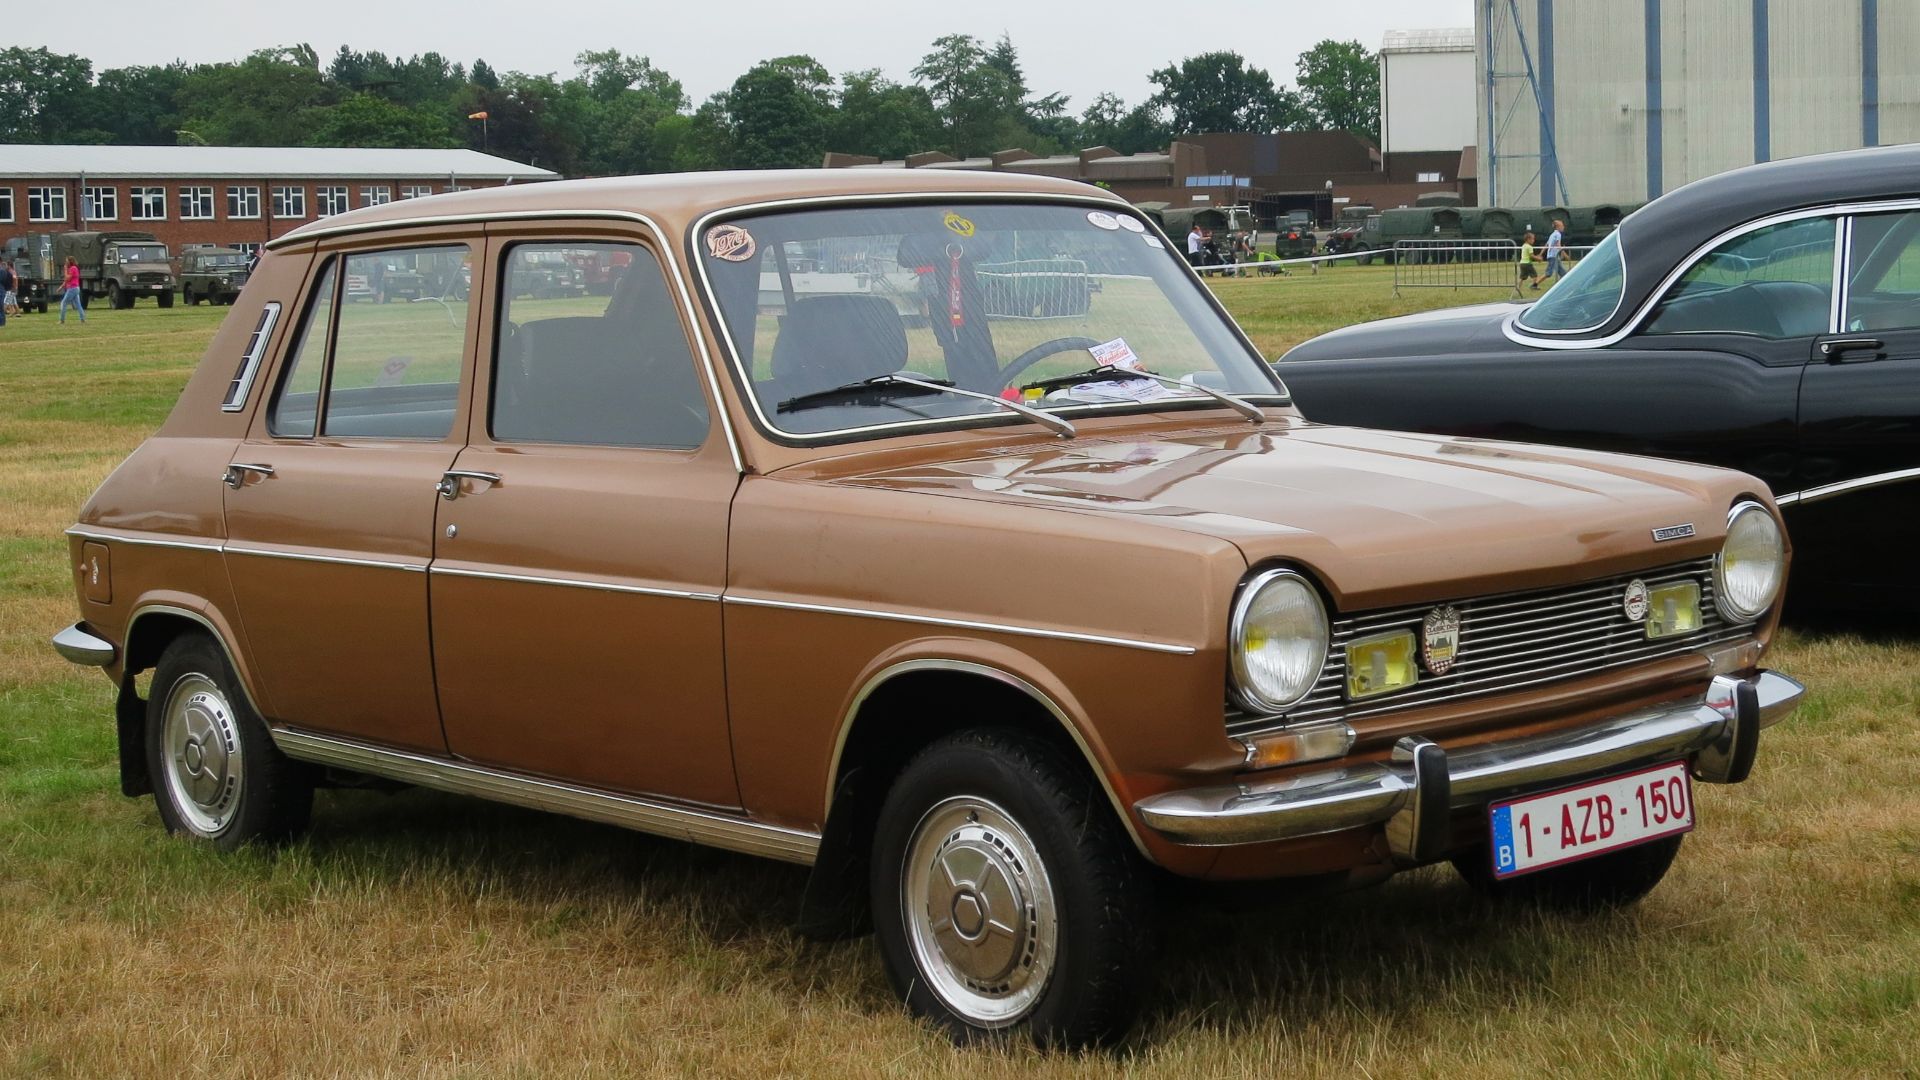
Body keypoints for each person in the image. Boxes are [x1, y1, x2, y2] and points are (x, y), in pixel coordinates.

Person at [59, 257, 86, 324]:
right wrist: (61, 286)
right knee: (78, 304)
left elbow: (68, 278)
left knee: (64, 303)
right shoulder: (72, 268)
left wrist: (65, 270)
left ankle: (62, 320)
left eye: (67, 261)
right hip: (75, 288)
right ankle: (82, 319)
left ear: (70, 261)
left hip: (72, 288)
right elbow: (67, 280)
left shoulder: (73, 268)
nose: (66, 262)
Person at [1542, 219, 1566, 286]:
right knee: (1548, 273)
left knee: (1563, 273)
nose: (1563, 227)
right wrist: (1564, 253)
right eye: (1562, 226)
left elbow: (1546, 245)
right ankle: (1535, 283)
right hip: (1553, 256)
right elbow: (1558, 245)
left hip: (1553, 256)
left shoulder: (1552, 234)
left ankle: (1561, 285)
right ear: (1558, 227)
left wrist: (1540, 254)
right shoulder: (1558, 234)